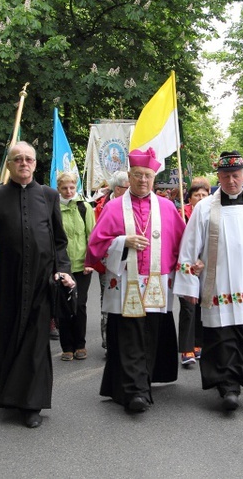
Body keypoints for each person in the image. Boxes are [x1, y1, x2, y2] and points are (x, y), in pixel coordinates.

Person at [0, 141, 74, 428]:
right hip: (5, 284)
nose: (24, 163)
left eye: (28, 159)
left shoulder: (49, 195)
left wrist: (63, 270)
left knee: (35, 344)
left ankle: (31, 405)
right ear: (9, 165)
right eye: (17, 159)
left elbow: (59, 242)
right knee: (1, 342)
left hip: (42, 285)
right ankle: (12, 392)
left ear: (35, 163)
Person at [174, 151, 243, 411]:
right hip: (217, 285)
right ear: (217, 177)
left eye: (235, 175)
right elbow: (189, 249)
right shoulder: (203, 209)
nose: (231, 181)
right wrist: (189, 286)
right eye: (225, 176)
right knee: (220, 336)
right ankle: (226, 386)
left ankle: (242, 377)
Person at [85, 148, 185, 413]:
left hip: (155, 283)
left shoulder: (166, 207)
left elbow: (182, 244)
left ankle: (143, 383)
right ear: (129, 176)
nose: (143, 180)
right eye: (138, 175)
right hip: (126, 283)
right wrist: (122, 241)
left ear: (154, 178)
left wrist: (188, 268)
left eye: (148, 176)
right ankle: (135, 392)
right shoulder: (114, 207)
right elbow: (96, 244)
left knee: (151, 334)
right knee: (129, 336)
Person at [56, 171, 95, 362]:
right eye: (64, 188)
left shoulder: (84, 207)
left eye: (71, 187)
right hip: (62, 267)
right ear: (59, 189)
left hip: (81, 266)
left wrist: (90, 261)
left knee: (79, 305)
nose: (68, 191)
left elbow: (92, 236)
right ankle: (67, 347)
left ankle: (80, 344)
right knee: (63, 307)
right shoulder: (53, 209)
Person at [92, 170, 130, 350]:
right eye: (127, 187)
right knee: (108, 301)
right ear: (118, 188)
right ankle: (108, 341)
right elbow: (98, 236)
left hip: (130, 261)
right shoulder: (101, 207)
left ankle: (125, 340)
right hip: (108, 262)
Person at [179, 177, 211, 365]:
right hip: (187, 269)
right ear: (189, 198)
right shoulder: (180, 214)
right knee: (188, 308)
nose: (200, 198)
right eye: (196, 195)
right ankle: (186, 348)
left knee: (201, 306)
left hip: (206, 269)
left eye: (204, 195)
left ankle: (199, 343)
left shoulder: (212, 214)